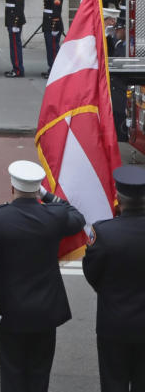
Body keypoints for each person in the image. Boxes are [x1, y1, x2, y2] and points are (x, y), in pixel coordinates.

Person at [0, 159, 86, 392]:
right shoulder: (54, 215)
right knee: (39, 374)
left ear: (12, 187)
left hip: (9, 311)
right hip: (46, 310)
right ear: (37, 189)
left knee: (11, 373)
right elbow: (77, 217)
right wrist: (48, 197)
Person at [82, 164, 145, 392]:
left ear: (118, 196)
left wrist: (109, 290)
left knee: (113, 383)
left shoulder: (104, 233)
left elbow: (91, 272)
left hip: (114, 323)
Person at [38, 0, 64, 77]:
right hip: (48, 23)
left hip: (53, 24)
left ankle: (55, 71)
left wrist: (54, 27)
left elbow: (56, 11)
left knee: (53, 48)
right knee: (49, 47)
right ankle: (51, 68)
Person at [1, 0, 26, 77]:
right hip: (10, 19)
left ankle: (18, 70)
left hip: (14, 20)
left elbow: (19, 6)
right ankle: (15, 68)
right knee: (13, 45)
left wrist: (16, 23)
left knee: (15, 46)